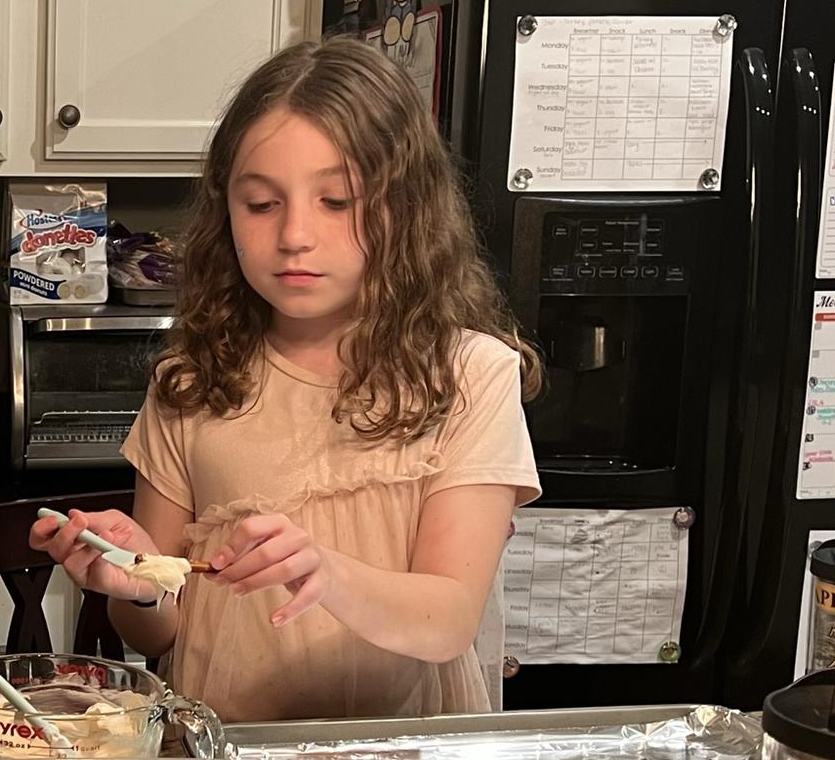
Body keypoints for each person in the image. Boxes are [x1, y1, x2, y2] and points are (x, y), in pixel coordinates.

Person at [32, 39, 541, 722]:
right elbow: (158, 632)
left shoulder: (470, 375)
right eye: (262, 205)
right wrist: (137, 586)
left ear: (407, 209)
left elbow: (446, 619)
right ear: (226, 212)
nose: (295, 234)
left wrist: (327, 574)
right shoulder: (192, 383)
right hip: (222, 755)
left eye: (337, 201)